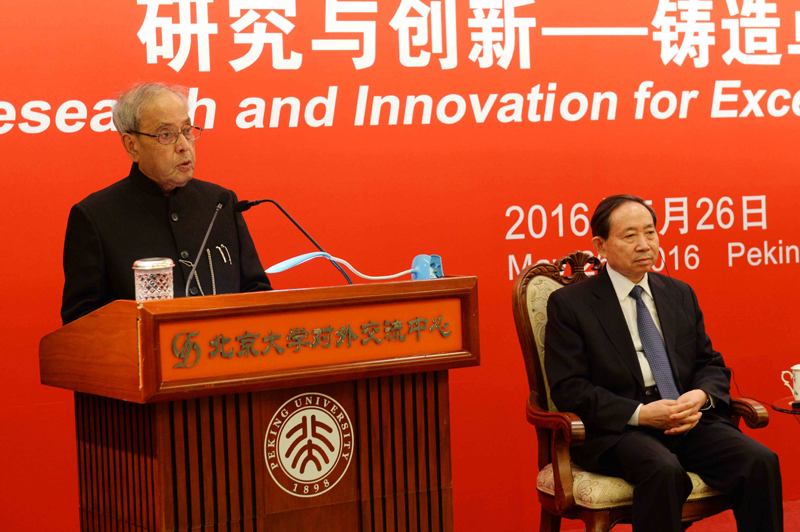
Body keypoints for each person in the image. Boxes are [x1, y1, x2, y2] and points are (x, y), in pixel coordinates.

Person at [544, 194, 782, 531]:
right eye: (630, 236)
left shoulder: (678, 292)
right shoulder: (571, 305)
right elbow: (570, 389)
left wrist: (701, 397)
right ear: (601, 244)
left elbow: (710, 363)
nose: (644, 245)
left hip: (685, 417)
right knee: (663, 470)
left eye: (651, 233)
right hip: (620, 428)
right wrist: (641, 414)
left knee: (760, 461)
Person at [61, 82, 271, 325]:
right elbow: (81, 322)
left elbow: (256, 289)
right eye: (166, 135)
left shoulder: (220, 201)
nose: (183, 146)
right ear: (132, 146)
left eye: (187, 130)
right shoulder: (95, 217)